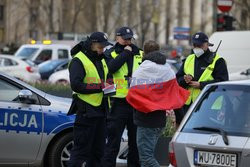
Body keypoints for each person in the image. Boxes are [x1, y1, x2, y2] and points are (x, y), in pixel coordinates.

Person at [126, 40, 189, 166]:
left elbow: (134, 94)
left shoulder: (142, 70)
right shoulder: (167, 69)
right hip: (159, 120)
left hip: (146, 120)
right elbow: (173, 95)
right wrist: (180, 119)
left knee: (146, 158)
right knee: (148, 156)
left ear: (144, 52)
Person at [67, 32, 111, 167]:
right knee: (80, 151)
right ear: (92, 44)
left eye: (104, 47)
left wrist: (110, 86)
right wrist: (100, 87)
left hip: (101, 111)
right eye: (100, 47)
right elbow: (76, 85)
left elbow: (105, 79)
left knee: (98, 152)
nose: (102, 50)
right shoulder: (78, 60)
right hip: (86, 112)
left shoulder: (100, 58)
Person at [102, 26, 143, 167]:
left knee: (135, 143)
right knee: (113, 141)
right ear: (117, 38)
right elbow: (110, 68)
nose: (127, 41)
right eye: (124, 39)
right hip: (118, 103)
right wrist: (125, 54)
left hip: (136, 103)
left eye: (129, 39)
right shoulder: (110, 53)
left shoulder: (140, 53)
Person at [176, 32, 229, 118]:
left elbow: (223, 82)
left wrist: (201, 85)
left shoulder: (218, 61)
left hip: (209, 104)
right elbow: (178, 79)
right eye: (195, 44)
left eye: (199, 45)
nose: (197, 47)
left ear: (207, 44)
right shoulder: (189, 59)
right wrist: (185, 80)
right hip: (188, 105)